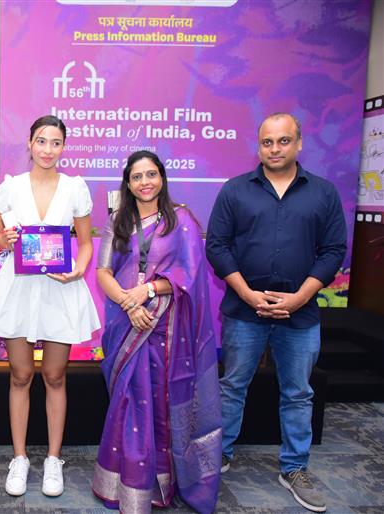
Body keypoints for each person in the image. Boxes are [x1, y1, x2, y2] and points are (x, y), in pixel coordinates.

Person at [206, 113, 346, 513]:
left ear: (299, 143)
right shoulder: (235, 191)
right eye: (268, 142)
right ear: (259, 145)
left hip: (299, 315)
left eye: (284, 141)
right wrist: (248, 294)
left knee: (299, 393)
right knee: (232, 386)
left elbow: (334, 250)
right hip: (243, 310)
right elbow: (217, 246)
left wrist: (301, 296)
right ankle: (220, 456)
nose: (275, 149)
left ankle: (295, 468)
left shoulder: (323, 193)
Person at [0, 115, 100, 498]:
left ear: (64, 147)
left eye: (56, 142)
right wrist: (5, 238)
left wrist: (79, 270)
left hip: (60, 289)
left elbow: (85, 241)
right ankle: (19, 457)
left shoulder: (75, 188)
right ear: (29, 143)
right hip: (18, 288)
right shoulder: (10, 188)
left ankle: (53, 459)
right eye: (42, 141)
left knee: (56, 376)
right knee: (20, 374)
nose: (48, 149)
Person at [91, 150, 221, 513]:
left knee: (159, 404)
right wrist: (130, 304)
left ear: (161, 178)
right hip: (126, 324)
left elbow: (189, 274)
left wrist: (148, 291)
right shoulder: (118, 219)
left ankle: (159, 484)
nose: (145, 182)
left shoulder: (180, 220)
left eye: (151, 175)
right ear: (128, 183)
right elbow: (103, 271)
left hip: (166, 329)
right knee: (128, 403)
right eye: (137, 177)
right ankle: (124, 484)